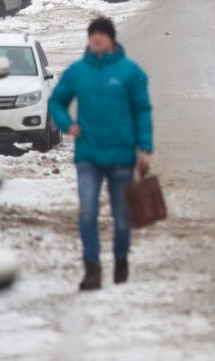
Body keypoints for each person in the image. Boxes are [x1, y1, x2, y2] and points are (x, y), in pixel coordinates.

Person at [48, 17, 154, 291]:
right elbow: (57, 101)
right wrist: (67, 124)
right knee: (88, 213)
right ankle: (92, 269)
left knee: (121, 217)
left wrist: (145, 148)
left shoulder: (130, 73)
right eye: (92, 34)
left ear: (111, 39)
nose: (96, 38)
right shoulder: (77, 72)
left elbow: (142, 110)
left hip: (121, 157)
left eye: (101, 34)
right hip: (89, 156)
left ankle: (120, 260)